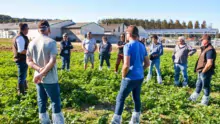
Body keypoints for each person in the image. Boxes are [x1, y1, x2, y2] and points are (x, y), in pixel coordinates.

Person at [26, 20, 65, 123]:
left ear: (39, 30)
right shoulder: (51, 42)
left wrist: (38, 71)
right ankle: (58, 122)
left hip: (37, 78)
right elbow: (52, 61)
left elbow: (28, 61)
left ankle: (44, 121)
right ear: (48, 29)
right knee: (55, 101)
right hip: (50, 78)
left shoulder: (32, 42)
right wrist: (42, 73)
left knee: (41, 100)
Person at [111, 25, 150, 124]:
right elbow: (147, 63)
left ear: (129, 34)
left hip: (130, 78)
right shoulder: (142, 45)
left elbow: (126, 65)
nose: (125, 35)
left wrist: (123, 75)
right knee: (136, 98)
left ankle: (116, 121)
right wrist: (140, 70)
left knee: (120, 98)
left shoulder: (127, 46)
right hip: (139, 77)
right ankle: (135, 120)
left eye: (126, 33)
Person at [189, 34, 216, 106]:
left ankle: (205, 101)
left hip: (205, 71)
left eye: (202, 40)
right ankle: (193, 98)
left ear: (206, 40)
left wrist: (204, 71)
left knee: (206, 86)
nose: (201, 41)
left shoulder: (210, 50)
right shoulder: (205, 48)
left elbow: (209, 63)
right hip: (201, 71)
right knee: (198, 85)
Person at [12, 23, 29, 95]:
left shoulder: (19, 36)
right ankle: (21, 93)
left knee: (23, 76)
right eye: (27, 28)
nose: (28, 30)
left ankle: (24, 90)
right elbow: (21, 50)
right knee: (22, 77)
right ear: (24, 29)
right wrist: (31, 53)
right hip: (21, 60)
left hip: (22, 59)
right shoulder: (20, 37)